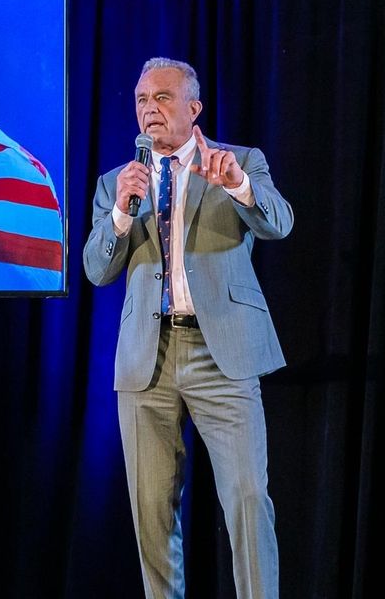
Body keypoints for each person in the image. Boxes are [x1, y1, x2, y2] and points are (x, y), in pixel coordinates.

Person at [83, 57, 293, 599]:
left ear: (193, 107)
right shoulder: (116, 183)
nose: (149, 110)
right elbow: (97, 269)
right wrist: (122, 216)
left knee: (248, 498)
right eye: (141, 100)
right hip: (146, 360)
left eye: (162, 98)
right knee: (151, 512)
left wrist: (241, 186)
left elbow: (279, 222)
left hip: (221, 351)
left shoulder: (237, 161)